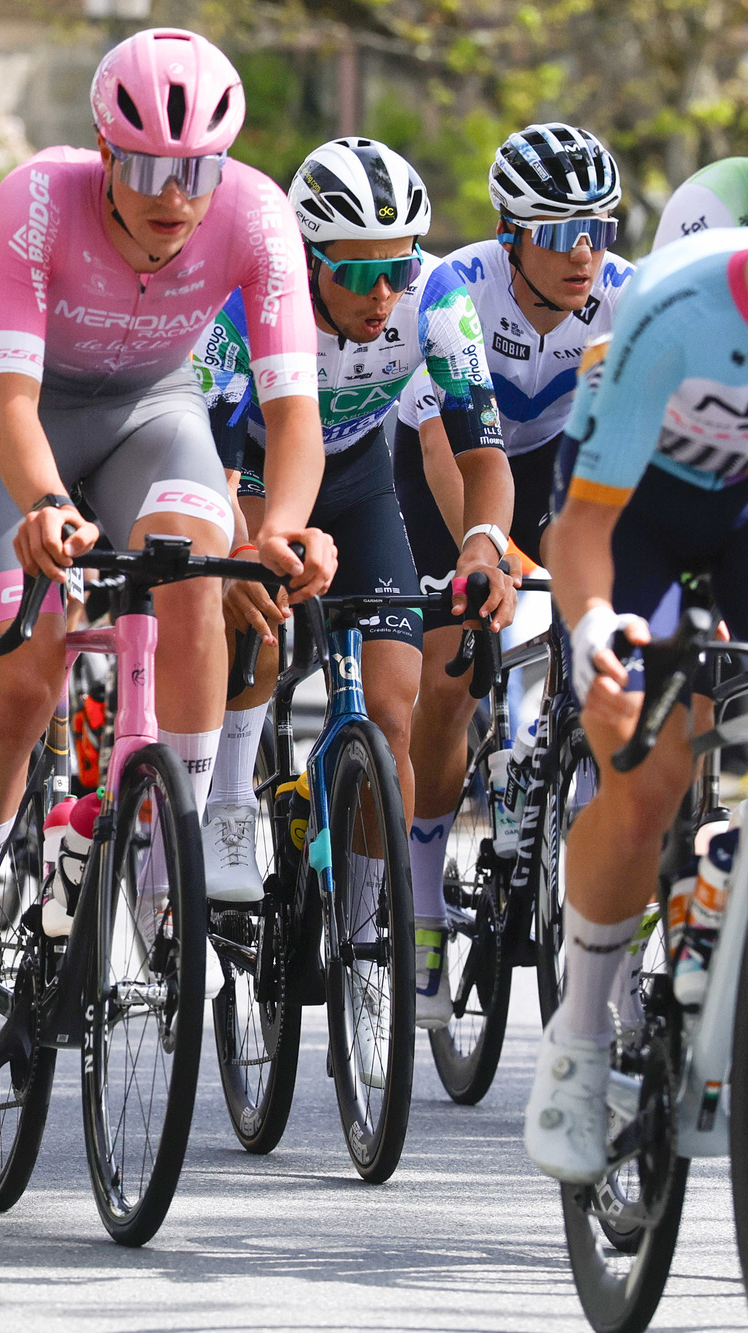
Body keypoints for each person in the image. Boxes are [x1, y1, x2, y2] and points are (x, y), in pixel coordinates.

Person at [0, 28, 333, 1085]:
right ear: (104, 154)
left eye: (195, 170)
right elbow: (8, 401)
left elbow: (295, 416)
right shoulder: (39, 198)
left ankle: (166, 879)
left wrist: (282, 526)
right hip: (24, 420)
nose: (172, 196)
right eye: (145, 169)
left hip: (154, 411)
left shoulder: (256, 214)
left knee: (195, 576)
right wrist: (45, 505)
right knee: (23, 678)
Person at [198, 138, 509, 1033]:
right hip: (252, 467)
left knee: (393, 711)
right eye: (361, 274)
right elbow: (213, 451)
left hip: (360, 476)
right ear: (309, 259)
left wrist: (484, 545)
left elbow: (482, 453)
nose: (384, 295)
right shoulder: (255, 297)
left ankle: (370, 926)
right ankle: (229, 803)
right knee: (254, 625)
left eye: (397, 269)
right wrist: (243, 545)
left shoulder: (436, 298)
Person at [392, 124, 631, 1022]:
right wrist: (487, 556)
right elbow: (443, 450)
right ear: (508, 233)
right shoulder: (454, 290)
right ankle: (421, 900)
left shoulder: (625, 297)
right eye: (559, 232)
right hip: (448, 463)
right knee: (451, 675)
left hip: (558, 466)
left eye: (597, 230)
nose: (582, 253)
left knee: (606, 645)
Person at [528, 226, 748, 1182]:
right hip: (632, 515)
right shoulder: (679, 312)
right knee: (644, 776)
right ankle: (578, 1043)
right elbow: (581, 526)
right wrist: (588, 627)